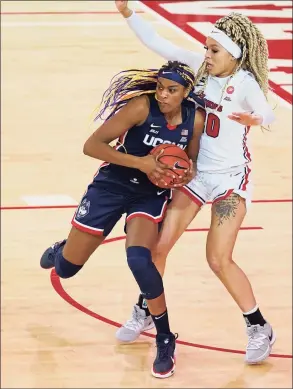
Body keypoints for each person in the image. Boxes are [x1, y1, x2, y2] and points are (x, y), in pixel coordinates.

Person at [115, 1, 276, 364]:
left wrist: (255, 117)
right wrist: (129, 14)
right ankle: (146, 310)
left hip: (230, 179)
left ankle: (258, 326)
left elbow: (269, 112)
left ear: (233, 53)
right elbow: (160, 44)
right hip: (194, 175)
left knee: (218, 259)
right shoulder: (199, 71)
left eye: (213, 49)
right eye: (205, 47)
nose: (206, 54)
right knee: (157, 248)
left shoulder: (245, 83)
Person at [40, 60, 206, 378]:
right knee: (67, 269)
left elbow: (193, 160)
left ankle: (165, 338)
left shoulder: (194, 120)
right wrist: (141, 163)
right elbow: (92, 146)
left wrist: (184, 173)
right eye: (160, 87)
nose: (163, 94)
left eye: (171, 90)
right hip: (112, 185)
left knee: (140, 259)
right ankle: (61, 250)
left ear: (186, 93)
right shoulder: (140, 107)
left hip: (149, 194)